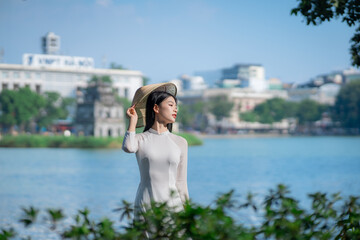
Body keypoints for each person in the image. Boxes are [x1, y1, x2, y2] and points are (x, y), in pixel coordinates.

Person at [122, 83, 189, 217]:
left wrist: (189, 213)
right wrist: (133, 122)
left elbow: (181, 182)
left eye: (176, 107)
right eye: (171, 105)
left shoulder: (180, 142)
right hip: (146, 205)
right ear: (156, 108)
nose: (175, 109)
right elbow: (128, 147)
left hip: (173, 206)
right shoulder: (140, 139)